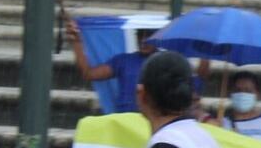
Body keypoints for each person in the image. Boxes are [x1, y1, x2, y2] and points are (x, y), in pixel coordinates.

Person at [66, 21, 208, 114]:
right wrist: (77, 42)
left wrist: (206, 52)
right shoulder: (123, 61)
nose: (143, 40)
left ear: (158, 38)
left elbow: (197, 83)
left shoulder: (167, 63)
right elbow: (88, 74)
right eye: (140, 35)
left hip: (154, 124)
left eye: (148, 36)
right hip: (125, 124)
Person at [214, 70, 261, 144]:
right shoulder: (220, 123)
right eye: (238, 90)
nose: (242, 94)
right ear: (230, 93)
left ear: (258, 95)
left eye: (248, 91)